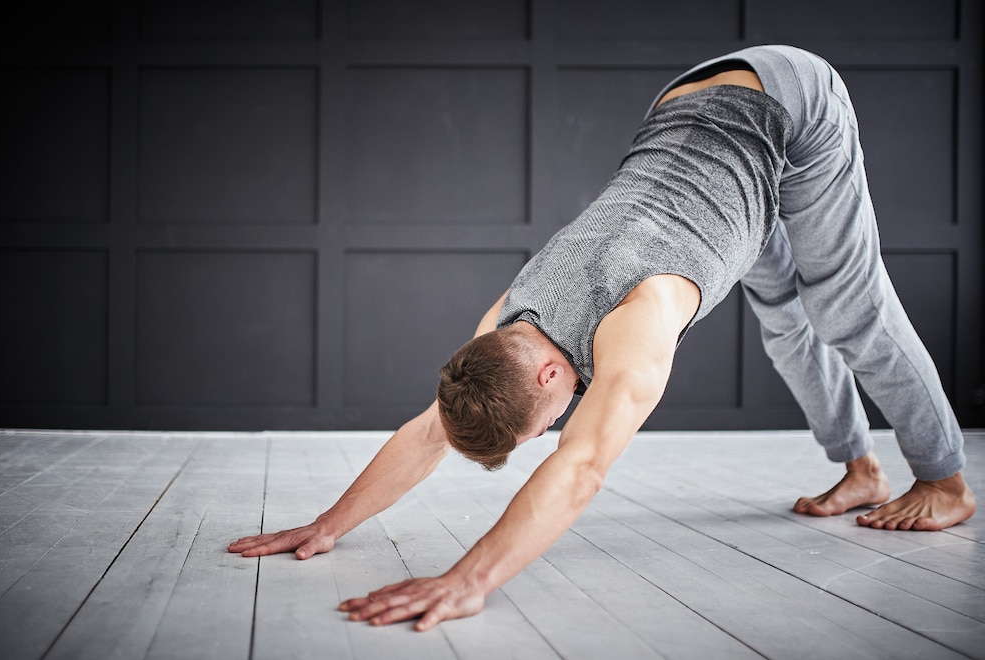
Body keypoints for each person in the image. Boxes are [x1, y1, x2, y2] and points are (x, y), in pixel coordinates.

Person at [228, 45, 976, 631]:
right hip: (684, 106)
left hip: (790, 106)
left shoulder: (640, 317)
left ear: (550, 382)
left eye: (534, 432)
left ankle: (946, 481)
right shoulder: (504, 328)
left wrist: (470, 579)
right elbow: (430, 431)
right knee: (783, 319)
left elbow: (582, 466)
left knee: (845, 309)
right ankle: (861, 470)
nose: (543, 438)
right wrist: (329, 525)